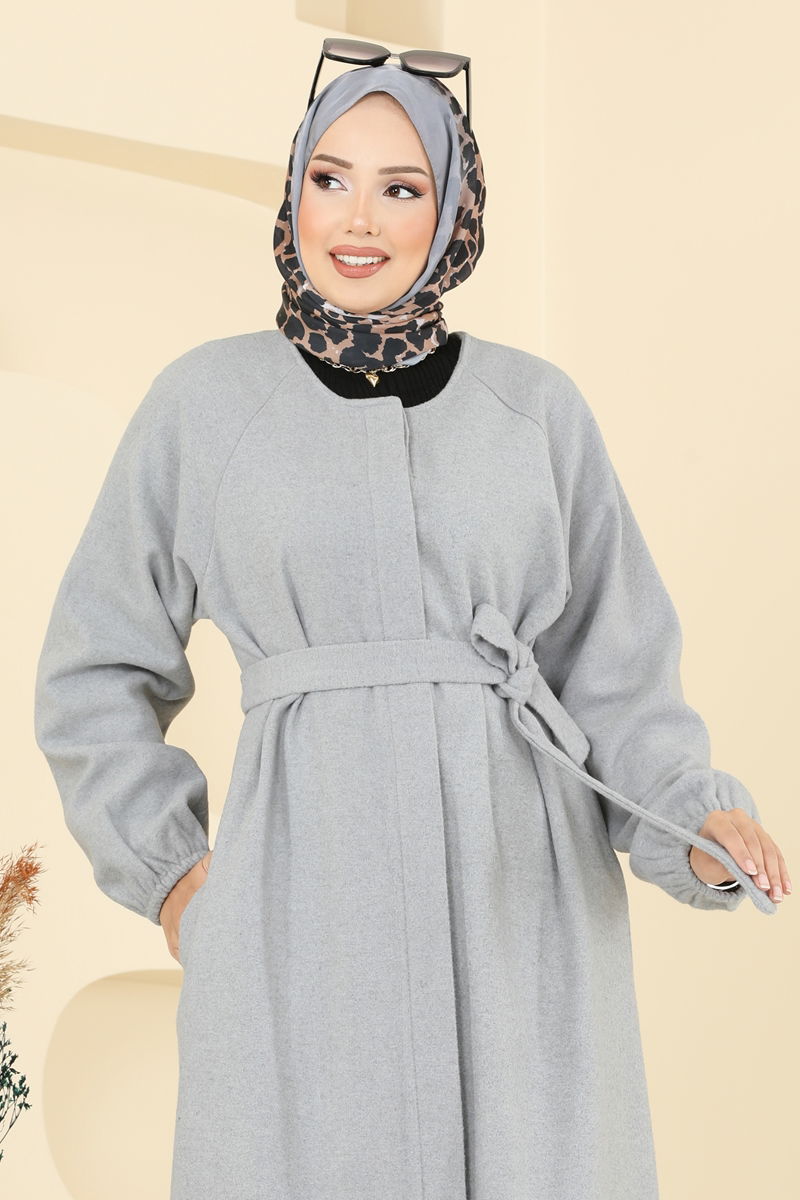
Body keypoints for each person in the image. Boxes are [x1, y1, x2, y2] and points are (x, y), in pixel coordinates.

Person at [33, 49, 789, 1200]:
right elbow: (93, 667)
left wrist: (691, 821)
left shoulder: (536, 412)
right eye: (329, 178)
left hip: (520, 902)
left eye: (401, 187)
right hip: (301, 911)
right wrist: (177, 878)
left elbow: (616, 674)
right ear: (292, 187)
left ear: (452, 215)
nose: (358, 219)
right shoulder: (204, 406)